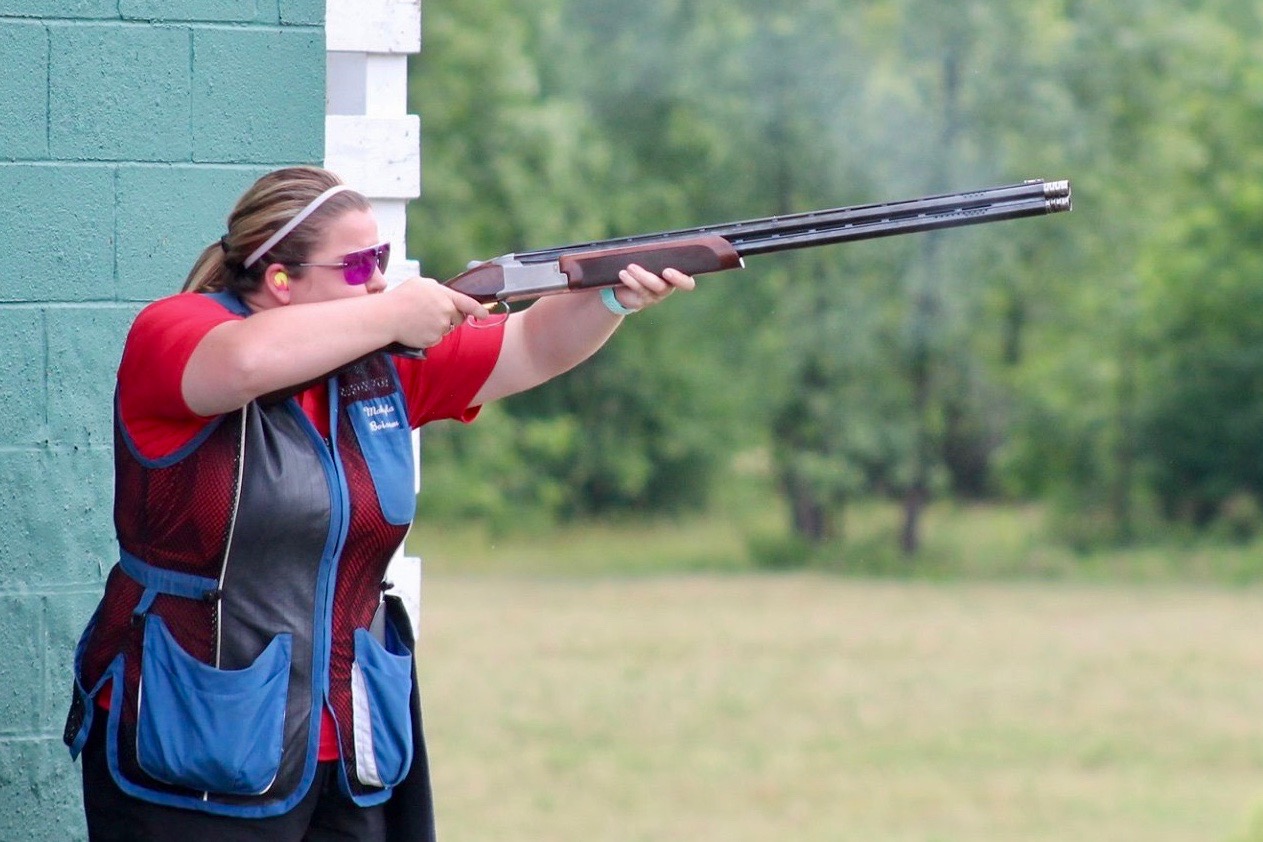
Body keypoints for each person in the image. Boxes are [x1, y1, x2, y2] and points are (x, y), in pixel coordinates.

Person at [63, 165, 695, 841]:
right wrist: (394, 311)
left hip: (352, 748)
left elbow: (531, 345)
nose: (377, 281)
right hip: (193, 741)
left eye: (383, 262)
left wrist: (611, 299)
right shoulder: (177, 328)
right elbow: (240, 365)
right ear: (281, 279)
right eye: (359, 264)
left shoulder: (378, 366)